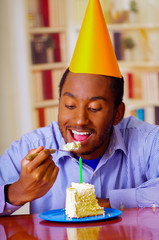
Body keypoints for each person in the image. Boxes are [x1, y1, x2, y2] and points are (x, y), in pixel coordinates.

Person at [1, 0, 159, 216]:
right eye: (69, 105)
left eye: (94, 108)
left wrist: (107, 201)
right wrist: (16, 192)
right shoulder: (33, 147)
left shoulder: (147, 141)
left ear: (117, 113)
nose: (79, 120)